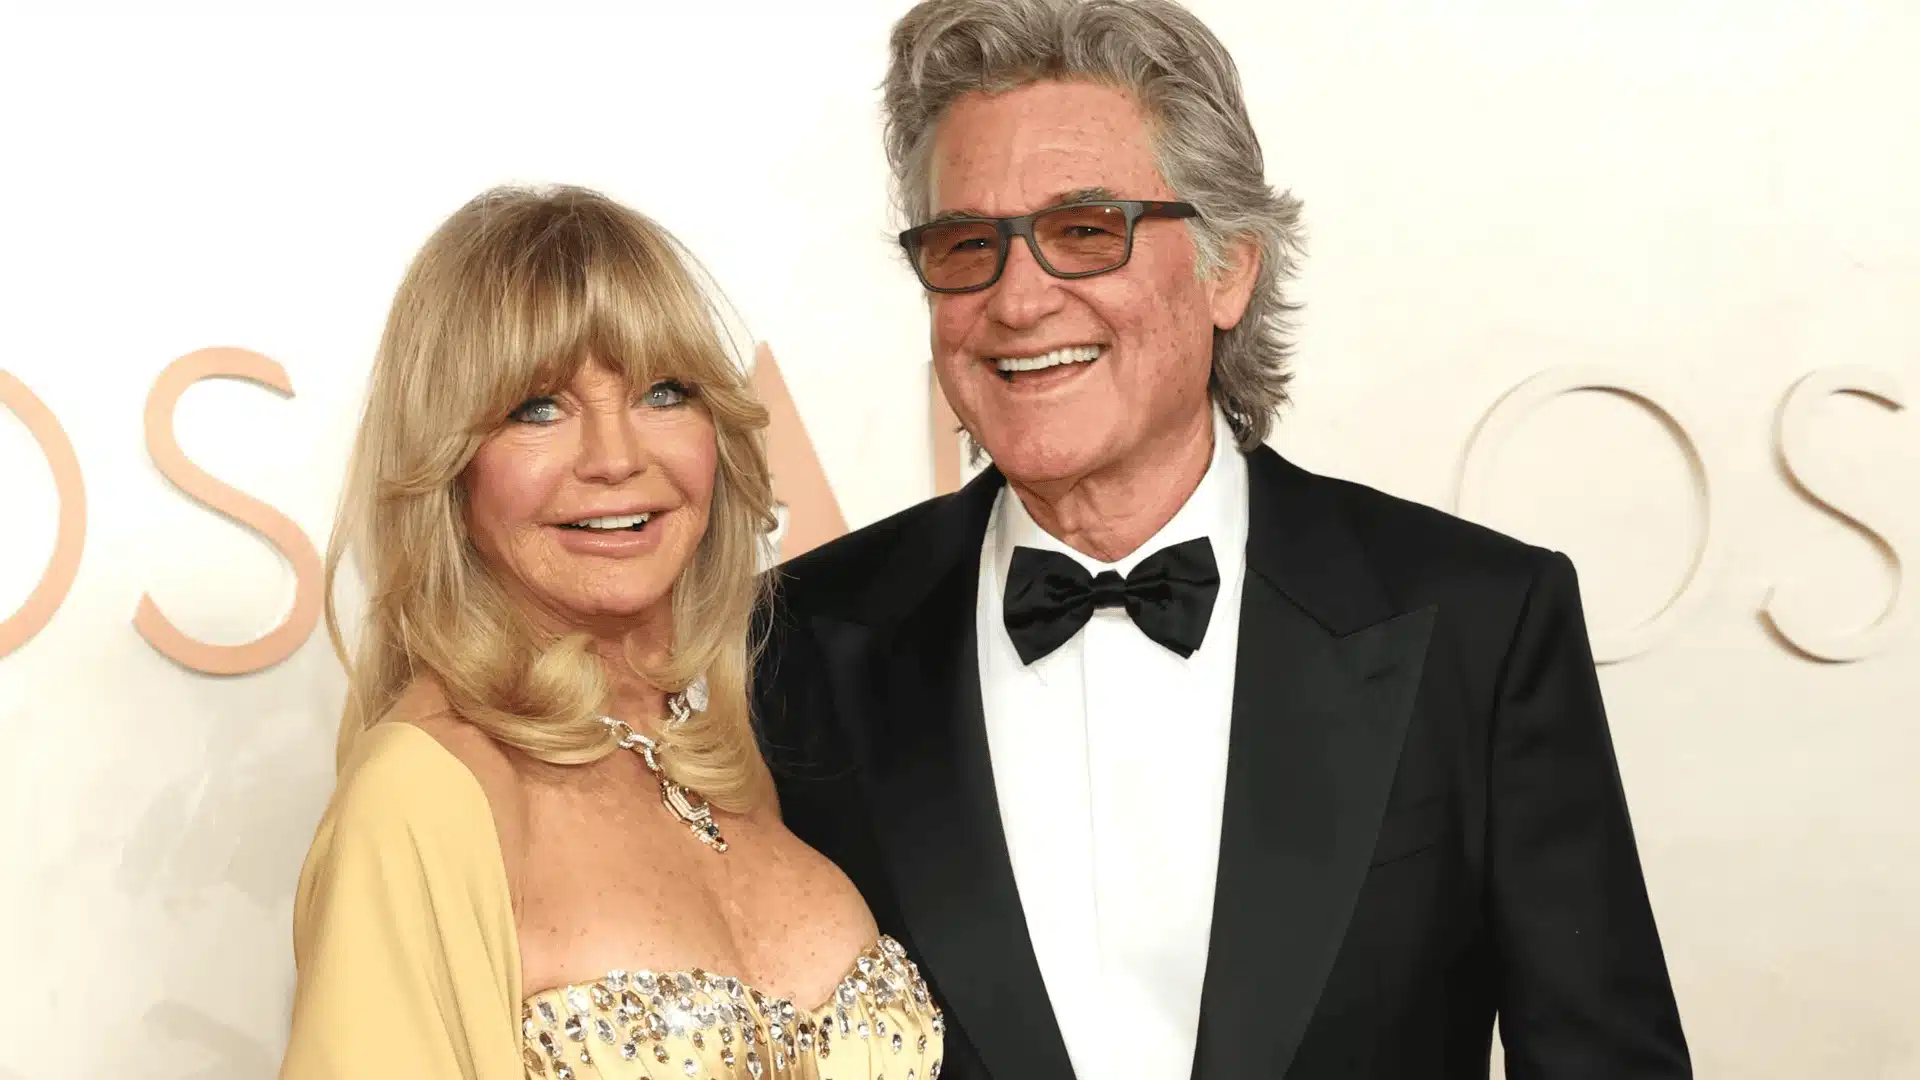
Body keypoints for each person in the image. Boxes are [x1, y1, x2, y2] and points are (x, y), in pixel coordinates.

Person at [750, 1, 1692, 1078]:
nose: (1017, 300)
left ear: (1228, 268)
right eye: (968, 244)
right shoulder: (796, 644)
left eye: (1084, 230)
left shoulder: (1476, 622)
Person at [279, 186, 944, 1080]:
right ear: (448, 467)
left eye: (664, 393)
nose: (615, 457)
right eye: (537, 409)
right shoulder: (426, 794)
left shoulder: (725, 760)